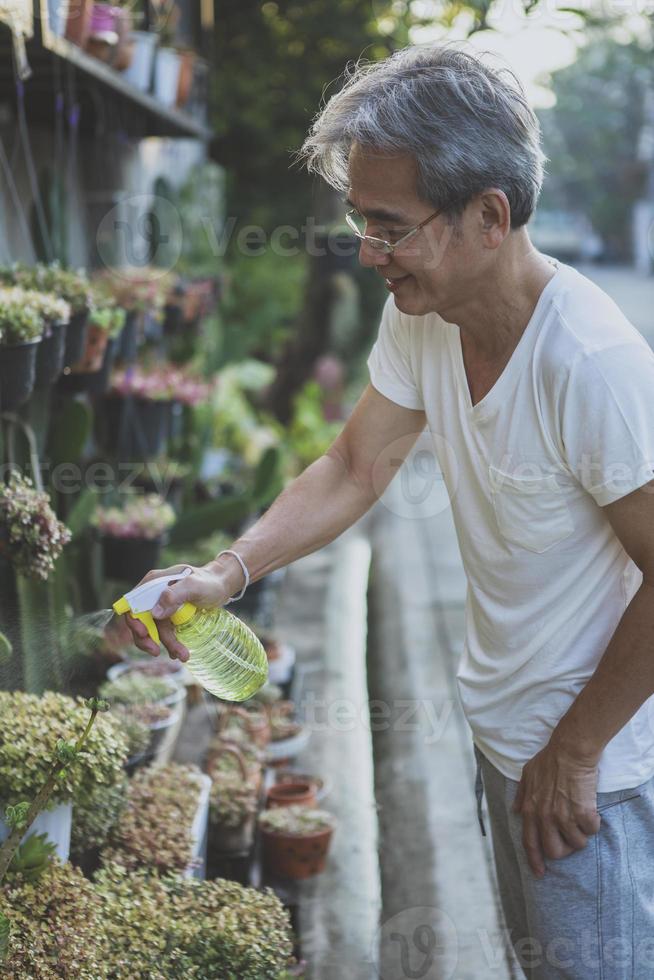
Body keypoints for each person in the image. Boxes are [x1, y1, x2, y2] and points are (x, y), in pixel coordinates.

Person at [124, 44, 654, 979]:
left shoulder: (592, 364)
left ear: (489, 216)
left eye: (392, 226)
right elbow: (355, 465)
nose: (370, 253)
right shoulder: (422, 313)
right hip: (509, 739)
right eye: (361, 220)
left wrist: (572, 756)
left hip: (593, 776)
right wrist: (225, 572)